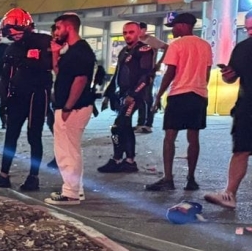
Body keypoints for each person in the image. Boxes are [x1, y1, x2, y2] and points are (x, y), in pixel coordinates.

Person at [0, 8, 52, 191]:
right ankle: (4, 174)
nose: (13, 34)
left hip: (37, 95)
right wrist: (4, 100)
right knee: (11, 135)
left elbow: (50, 65)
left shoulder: (43, 41)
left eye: (16, 30)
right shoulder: (11, 48)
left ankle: (33, 176)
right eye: (10, 31)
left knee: (34, 136)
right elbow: (6, 76)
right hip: (17, 96)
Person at [146, 11, 213, 192]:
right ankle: (191, 179)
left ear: (183, 25)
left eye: (174, 26)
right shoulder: (205, 45)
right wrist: (200, 89)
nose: (173, 30)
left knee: (170, 137)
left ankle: (168, 179)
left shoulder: (176, 45)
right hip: (199, 95)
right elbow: (206, 73)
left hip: (178, 95)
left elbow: (170, 73)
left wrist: (158, 96)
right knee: (193, 138)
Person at [45, 13, 97, 206]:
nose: (56, 32)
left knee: (66, 150)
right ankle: (76, 190)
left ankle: (70, 193)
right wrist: (55, 53)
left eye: (59, 28)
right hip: (70, 106)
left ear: (69, 27)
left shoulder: (80, 51)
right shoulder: (72, 50)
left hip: (73, 107)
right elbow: (60, 73)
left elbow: (80, 80)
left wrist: (68, 106)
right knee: (70, 149)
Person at [206, 10, 252, 210]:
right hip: (247, 106)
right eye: (248, 28)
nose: (250, 32)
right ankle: (229, 194)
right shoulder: (242, 48)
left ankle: (230, 193)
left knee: (241, 150)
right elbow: (231, 77)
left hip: (247, 106)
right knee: (241, 150)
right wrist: (228, 74)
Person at [98, 21, 155, 174]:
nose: (127, 35)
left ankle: (121, 160)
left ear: (139, 33)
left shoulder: (144, 50)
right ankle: (126, 160)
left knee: (118, 126)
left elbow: (146, 76)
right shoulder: (124, 51)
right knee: (124, 127)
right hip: (122, 94)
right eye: (125, 33)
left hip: (134, 96)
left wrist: (133, 94)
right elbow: (117, 75)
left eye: (131, 32)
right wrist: (108, 94)